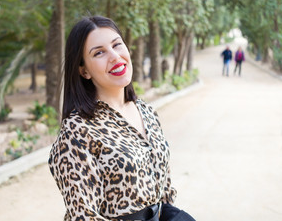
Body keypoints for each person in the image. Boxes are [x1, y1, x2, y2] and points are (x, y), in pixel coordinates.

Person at [48, 16, 195, 221]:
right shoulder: (78, 130)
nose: (115, 56)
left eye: (117, 45)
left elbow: (164, 189)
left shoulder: (147, 112)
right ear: (84, 70)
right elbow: (83, 216)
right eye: (99, 52)